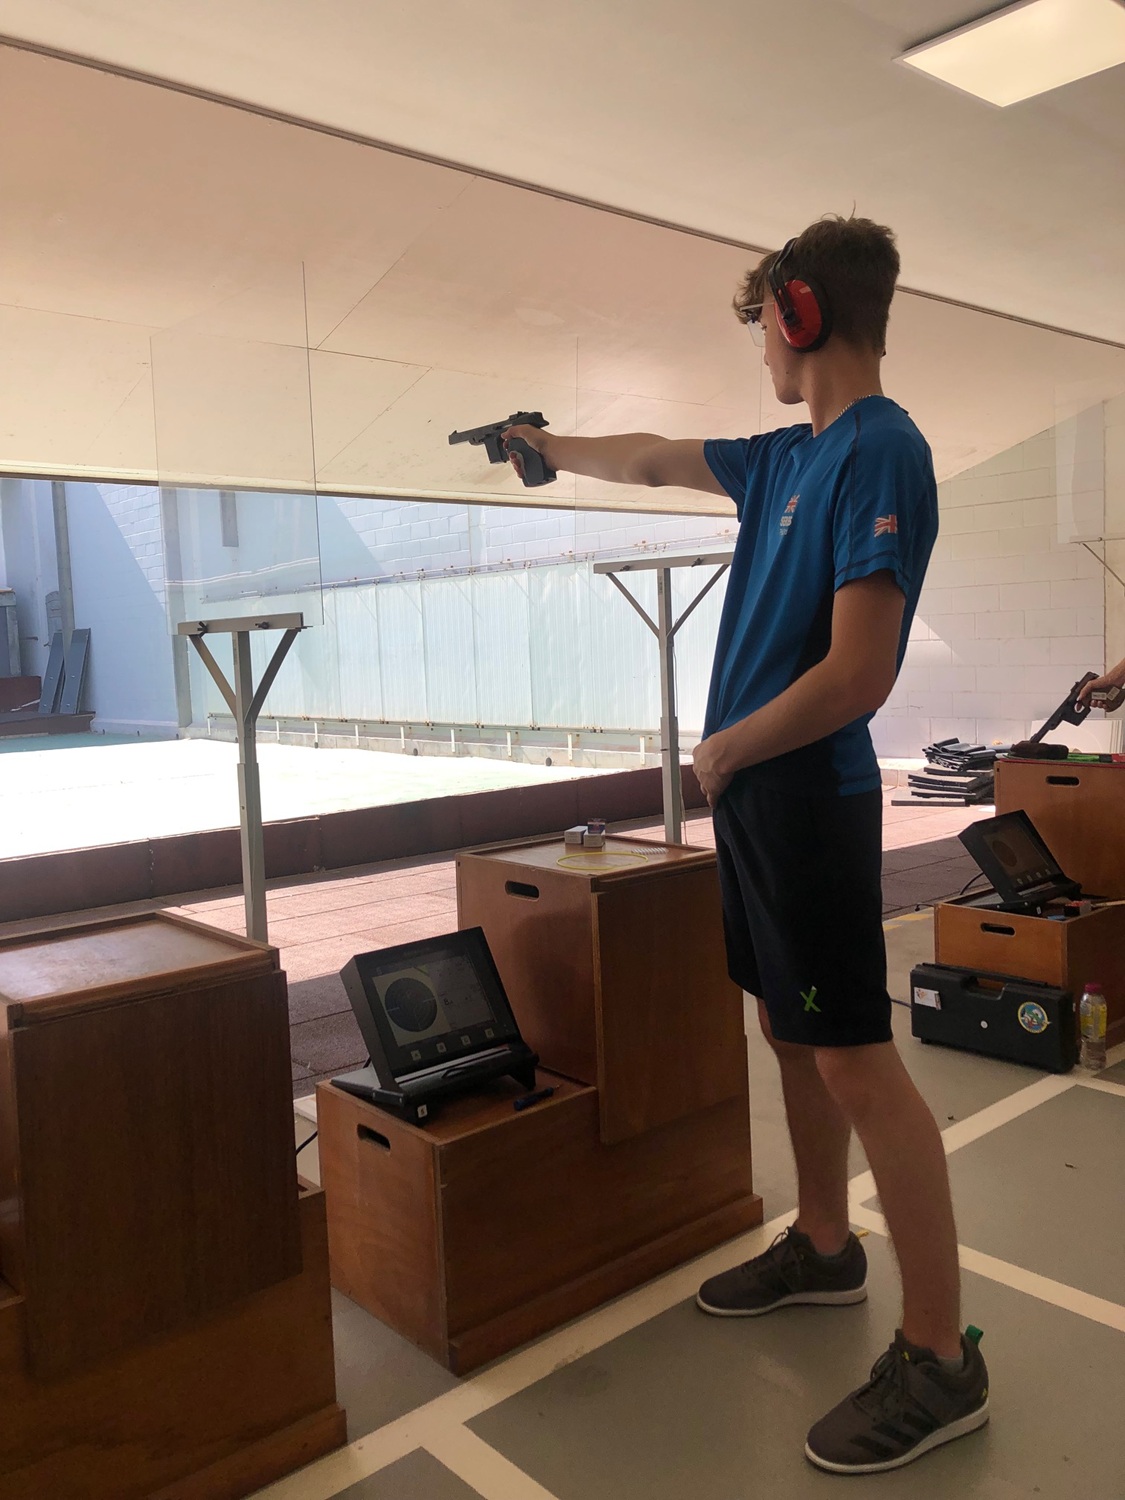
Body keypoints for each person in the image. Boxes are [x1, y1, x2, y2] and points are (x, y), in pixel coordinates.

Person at [502, 215, 989, 1476]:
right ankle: (825, 1246)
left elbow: (860, 676)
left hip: (808, 797)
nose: (762, 349)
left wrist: (724, 752)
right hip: (766, 808)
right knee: (789, 1029)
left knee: (857, 1064)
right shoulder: (786, 458)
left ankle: (942, 1356)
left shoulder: (881, 451)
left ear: (798, 313)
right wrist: (545, 444)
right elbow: (652, 457)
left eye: (764, 324)